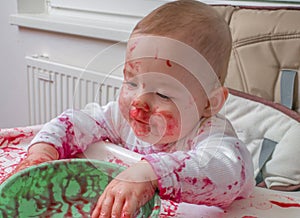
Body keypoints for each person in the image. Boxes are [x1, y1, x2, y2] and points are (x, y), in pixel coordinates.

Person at [12, 0, 254, 217]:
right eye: (131, 82)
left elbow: (228, 170)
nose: (138, 102)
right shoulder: (122, 118)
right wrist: (43, 152)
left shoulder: (213, 133)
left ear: (209, 103)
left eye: (162, 93)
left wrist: (150, 174)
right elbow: (75, 122)